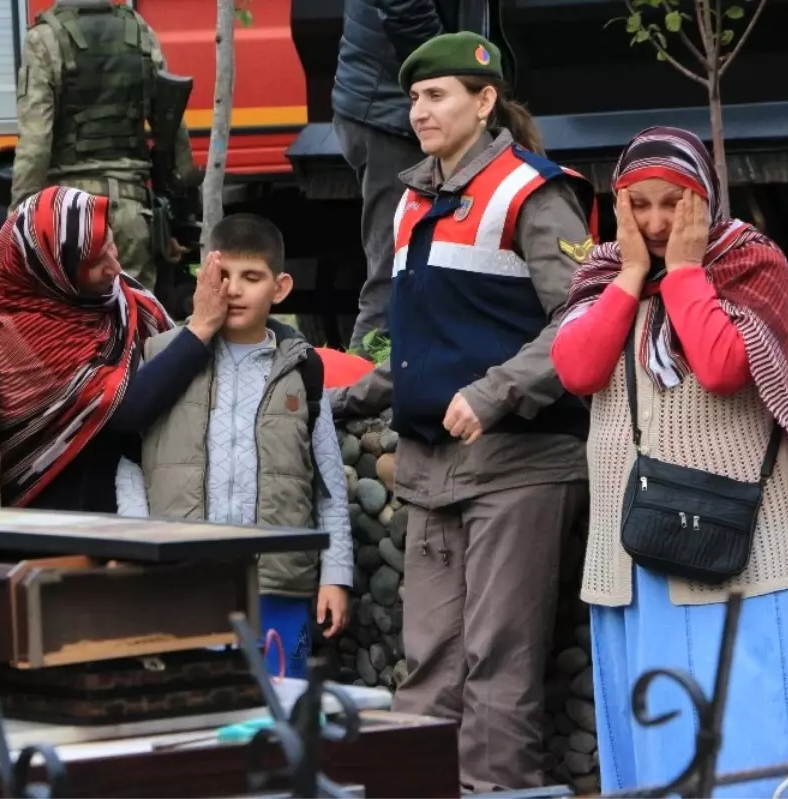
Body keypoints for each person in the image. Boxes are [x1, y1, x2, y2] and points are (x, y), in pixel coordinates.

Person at [329, 31, 599, 792]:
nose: (419, 110)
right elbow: (425, 345)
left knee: (499, 666)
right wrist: (347, 394)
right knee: (428, 667)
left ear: (485, 103)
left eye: (437, 94)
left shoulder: (533, 190)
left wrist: (493, 393)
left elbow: (583, 319)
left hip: (519, 465)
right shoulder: (414, 196)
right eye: (413, 96)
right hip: (430, 470)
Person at [551, 126, 788, 797]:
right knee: (656, 723)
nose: (655, 220)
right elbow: (579, 367)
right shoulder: (605, 274)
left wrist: (689, 272)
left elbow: (726, 365)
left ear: (705, 199)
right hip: (632, 546)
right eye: (638, 204)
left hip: (740, 541)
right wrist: (638, 274)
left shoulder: (751, 264)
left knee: (747, 721)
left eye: (673, 202)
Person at [114, 214, 353, 678]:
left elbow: (327, 484)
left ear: (280, 288)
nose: (236, 290)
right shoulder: (165, 357)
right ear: (205, 278)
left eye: (252, 277)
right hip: (182, 582)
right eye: (223, 277)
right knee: (190, 711)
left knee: (282, 711)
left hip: (278, 587)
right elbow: (131, 467)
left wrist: (336, 575)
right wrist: (138, 551)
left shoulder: (302, 369)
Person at [0, 185, 214, 511]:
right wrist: (200, 330)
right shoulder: (21, 329)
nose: (115, 268)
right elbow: (124, 410)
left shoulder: (112, 298)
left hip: (129, 497)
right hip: (56, 514)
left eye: (109, 243)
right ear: (55, 271)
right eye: (95, 261)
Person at [10, 0, 197, 292]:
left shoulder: (45, 38)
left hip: (69, 214)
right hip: (132, 208)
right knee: (135, 319)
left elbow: (36, 143)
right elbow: (173, 128)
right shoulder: (139, 31)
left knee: (73, 323)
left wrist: (19, 217)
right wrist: (179, 211)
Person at [332, 0, 443, 353]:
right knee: (394, 272)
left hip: (389, 105)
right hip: (390, 111)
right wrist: (458, 71)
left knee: (405, 266)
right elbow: (405, 7)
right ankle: (353, 396)